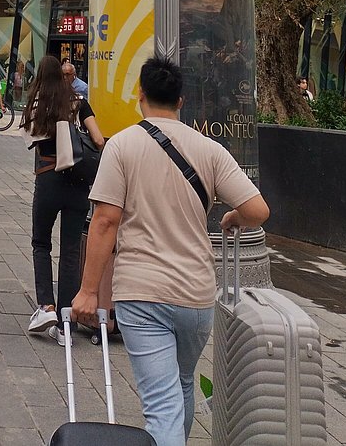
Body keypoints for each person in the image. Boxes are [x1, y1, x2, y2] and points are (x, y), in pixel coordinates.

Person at [73, 56, 270, 446]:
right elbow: (258, 211)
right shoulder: (209, 149)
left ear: (140, 95)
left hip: (142, 294)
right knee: (181, 387)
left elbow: (106, 221)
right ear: (181, 101)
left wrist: (89, 290)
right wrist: (230, 217)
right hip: (196, 298)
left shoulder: (122, 145)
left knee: (161, 405)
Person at [22, 54, 104, 343]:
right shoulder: (78, 101)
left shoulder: (36, 105)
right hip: (78, 183)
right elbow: (98, 139)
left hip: (48, 179)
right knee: (70, 249)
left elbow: (30, 137)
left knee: (41, 243)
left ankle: (46, 306)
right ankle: (66, 322)